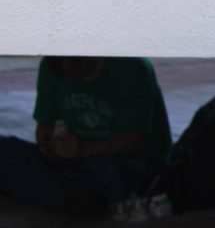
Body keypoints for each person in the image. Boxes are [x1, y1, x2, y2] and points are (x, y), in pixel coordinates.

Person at [0, 56, 172, 214]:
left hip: (122, 161)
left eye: (77, 69)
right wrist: (48, 145)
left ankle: (63, 196)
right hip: (74, 164)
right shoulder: (51, 66)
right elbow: (45, 124)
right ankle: (75, 198)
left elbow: (136, 142)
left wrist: (83, 149)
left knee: (110, 173)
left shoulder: (132, 67)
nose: (71, 75)